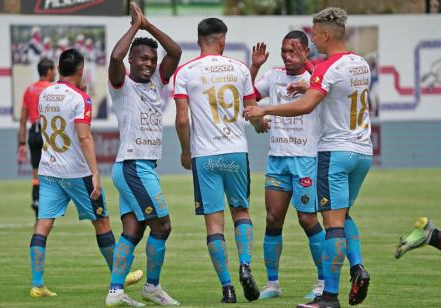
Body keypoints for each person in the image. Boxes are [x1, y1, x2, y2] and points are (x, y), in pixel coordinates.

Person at [244, 7, 372, 308]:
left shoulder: (325, 69)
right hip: (361, 150)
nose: (313, 39)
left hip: (331, 153)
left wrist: (265, 110)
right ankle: (356, 268)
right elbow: (331, 92)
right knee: (341, 216)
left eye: (314, 34)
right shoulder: (360, 63)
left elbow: (306, 105)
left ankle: (327, 294)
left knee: (331, 225)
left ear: (326, 35)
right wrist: (308, 85)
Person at [28, 48, 142, 298]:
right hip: (76, 172)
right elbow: (84, 136)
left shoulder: (46, 93)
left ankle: (37, 284)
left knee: (43, 224)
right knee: (101, 221)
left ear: (59, 69)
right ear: (80, 70)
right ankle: (120, 274)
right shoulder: (80, 98)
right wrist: (95, 173)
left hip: (48, 170)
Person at [174, 17, 267, 304]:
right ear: (223, 40)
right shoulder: (240, 69)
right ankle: (245, 265)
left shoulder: (185, 72)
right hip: (236, 152)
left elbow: (181, 119)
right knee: (241, 213)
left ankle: (227, 287)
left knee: (214, 226)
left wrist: (185, 151)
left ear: (199, 39)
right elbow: (252, 110)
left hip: (205, 157)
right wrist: (260, 125)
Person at [104, 3, 181, 307]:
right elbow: (114, 57)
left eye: (152, 60)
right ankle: (151, 287)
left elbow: (174, 52)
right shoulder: (121, 84)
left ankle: (115, 291)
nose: (148, 64)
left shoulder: (157, 83)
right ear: (132, 61)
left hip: (139, 166)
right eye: (143, 59)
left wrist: (148, 26)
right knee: (163, 226)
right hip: (134, 166)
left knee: (133, 231)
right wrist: (135, 27)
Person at [249, 31, 325, 300]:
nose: (288, 57)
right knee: (272, 219)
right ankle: (272, 284)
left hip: (305, 158)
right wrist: (256, 65)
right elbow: (249, 96)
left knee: (307, 219)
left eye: (293, 52)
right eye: (284, 52)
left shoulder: (317, 77)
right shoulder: (273, 76)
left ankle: (323, 282)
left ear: (306, 51)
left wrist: (266, 111)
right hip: (278, 158)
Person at [17, 58, 55, 219]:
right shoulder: (53, 88)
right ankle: (51, 204)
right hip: (48, 131)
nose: (56, 73)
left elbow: (22, 118)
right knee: (52, 170)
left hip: (33, 131)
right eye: (54, 70)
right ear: (48, 71)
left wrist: (22, 142)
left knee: (36, 174)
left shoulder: (29, 90)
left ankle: (36, 201)